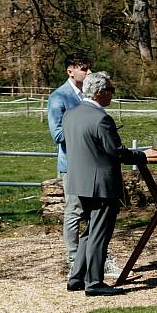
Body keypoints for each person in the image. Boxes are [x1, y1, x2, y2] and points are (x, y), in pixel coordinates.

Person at [64, 71, 148, 296]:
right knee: (99, 233)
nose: (112, 94)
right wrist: (141, 155)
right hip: (100, 185)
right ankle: (94, 282)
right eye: (111, 90)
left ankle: (77, 276)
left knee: (89, 231)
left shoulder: (70, 115)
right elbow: (115, 151)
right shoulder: (101, 118)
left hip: (78, 182)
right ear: (100, 92)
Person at [50, 54, 116, 277]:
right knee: (75, 212)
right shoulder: (59, 97)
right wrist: (89, 135)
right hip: (73, 163)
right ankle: (74, 260)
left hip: (92, 163)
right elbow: (58, 133)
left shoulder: (87, 98)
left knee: (92, 219)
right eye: (83, 68)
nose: (88, 72)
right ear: (70, 71)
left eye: (90, 68)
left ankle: (83, 267)